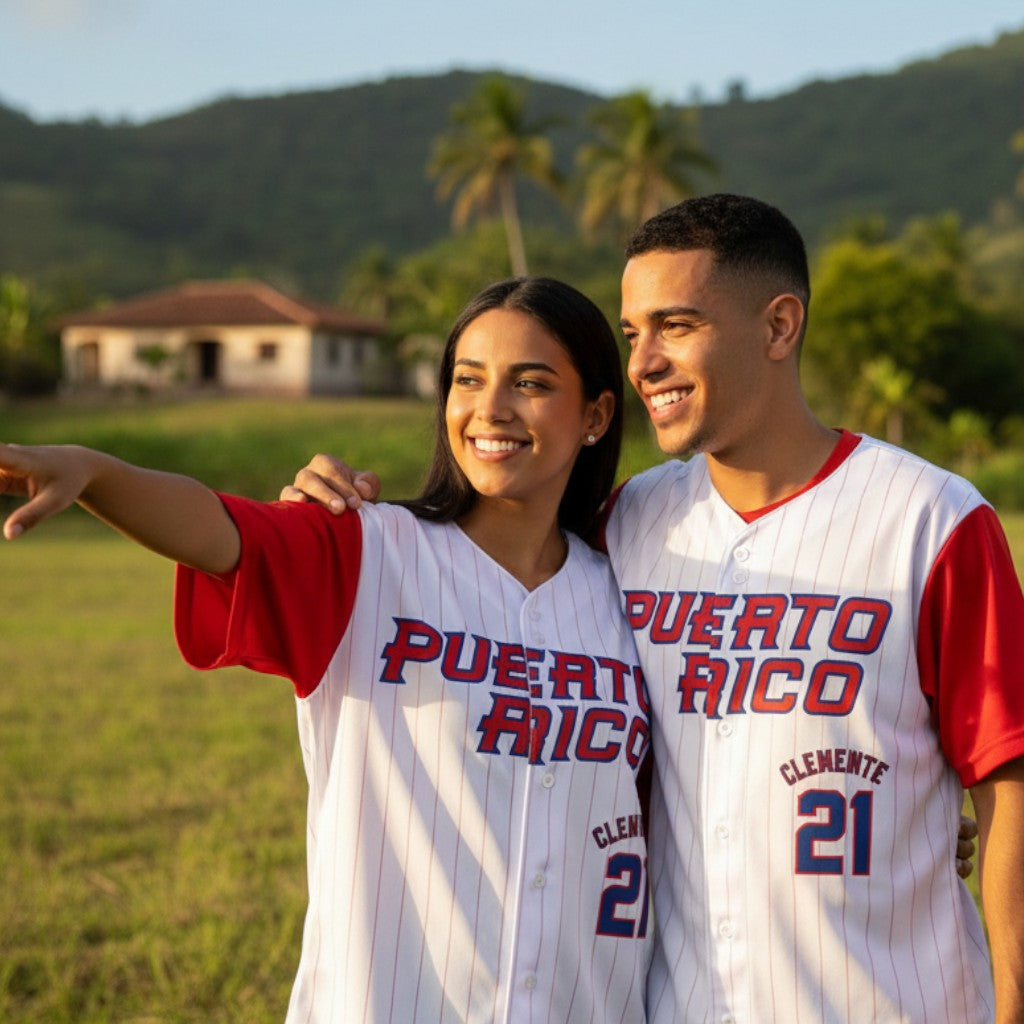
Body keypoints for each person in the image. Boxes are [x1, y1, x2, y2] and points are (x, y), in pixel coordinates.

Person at [284, 194, 1023, 1023]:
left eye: (676, 326)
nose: (643, 363)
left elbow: (1007, 774)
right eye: (634, 333)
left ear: (779, 327)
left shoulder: (929, 519)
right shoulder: (630, 522)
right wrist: (328, 509)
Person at [0, 278, 653, 1023]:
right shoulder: (366, 549)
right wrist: (97, 473)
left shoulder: (629, 590)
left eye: (531, 383)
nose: (492, 407)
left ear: (596, 414)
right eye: (468, 380)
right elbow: (217, 530)